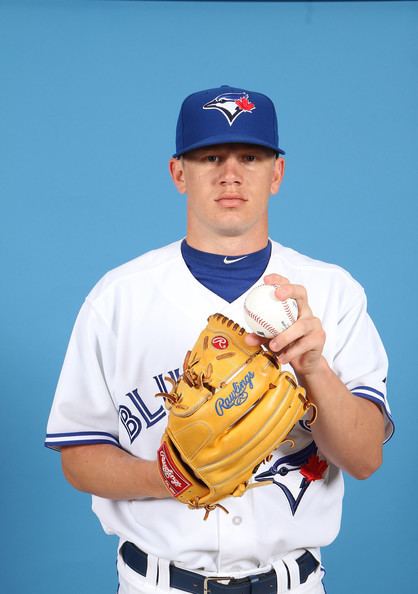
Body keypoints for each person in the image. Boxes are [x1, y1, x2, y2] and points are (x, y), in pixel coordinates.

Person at [45, 85, 393, 594]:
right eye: (211, 157)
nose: (231, 173)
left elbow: (365, 458)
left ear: (277, 174)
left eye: (250, 156)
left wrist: (314, 369)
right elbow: (77, 455)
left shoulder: (332, 292)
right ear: (178, 174)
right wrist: (171, 478)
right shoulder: (117, 297)